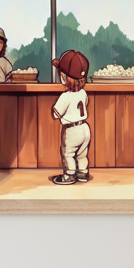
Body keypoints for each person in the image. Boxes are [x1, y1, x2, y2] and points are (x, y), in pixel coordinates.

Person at [49, 49, 91, 185]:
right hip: (85, 128)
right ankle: (83, 173)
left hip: (72, 129)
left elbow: (56, 114)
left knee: (68, 153)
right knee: (82, 153)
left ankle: (69, 175)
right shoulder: (83, 93)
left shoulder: (65, 96)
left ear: (63, 77)